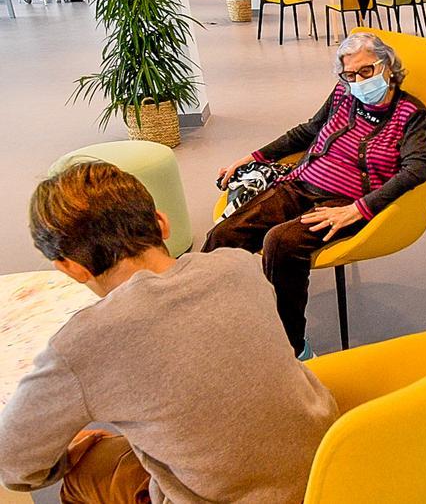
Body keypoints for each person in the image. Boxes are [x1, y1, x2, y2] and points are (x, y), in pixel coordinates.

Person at [0, 161, 337, 502]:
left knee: (85, 474)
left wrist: (65, 459)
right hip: (329, 470)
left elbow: (14, 464)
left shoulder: (80, 345)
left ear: (69, 267)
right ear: (161, 223)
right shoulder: (239, 265)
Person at [204, 33, 426, 358]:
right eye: (350, 75)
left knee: (281, 244)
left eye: (366, 72)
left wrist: (359, 209)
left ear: (388, 66)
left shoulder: (410, 113)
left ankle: (293, 348)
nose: (358, 82)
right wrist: (255, 156)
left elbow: (417, 168)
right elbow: (309, 130)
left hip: (345, 202)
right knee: (221, 237)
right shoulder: (344, 94)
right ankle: (203, 318)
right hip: (299, 182)